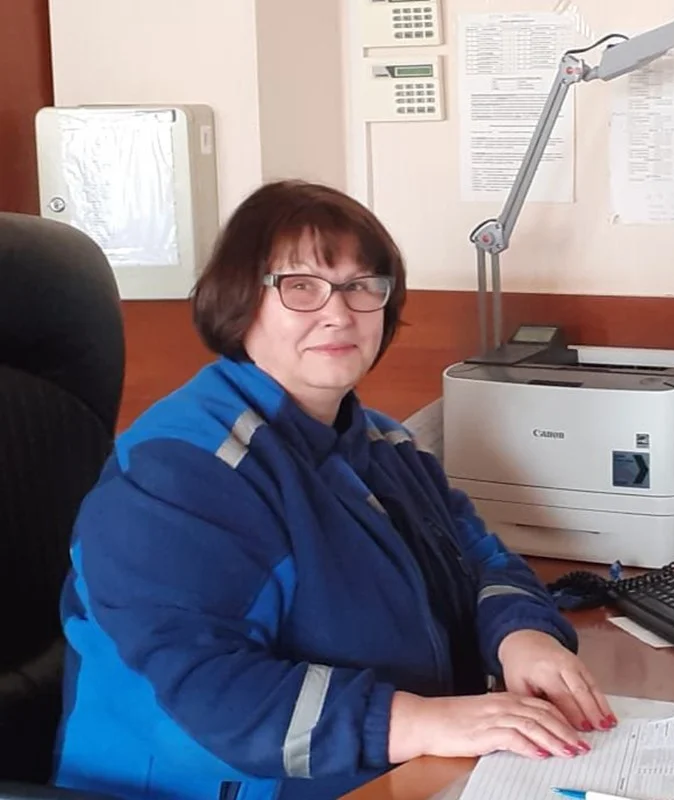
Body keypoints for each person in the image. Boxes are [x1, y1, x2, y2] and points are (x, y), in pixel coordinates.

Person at [52, 180, 615, 799]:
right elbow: (213, 693)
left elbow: (483, 560)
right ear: (240, 301)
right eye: (301, 286)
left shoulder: (383, 444)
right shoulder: (178, 471)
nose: (339, 312)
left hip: (390, 770)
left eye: (360, 286)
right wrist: (422, 721)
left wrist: (522, 636)